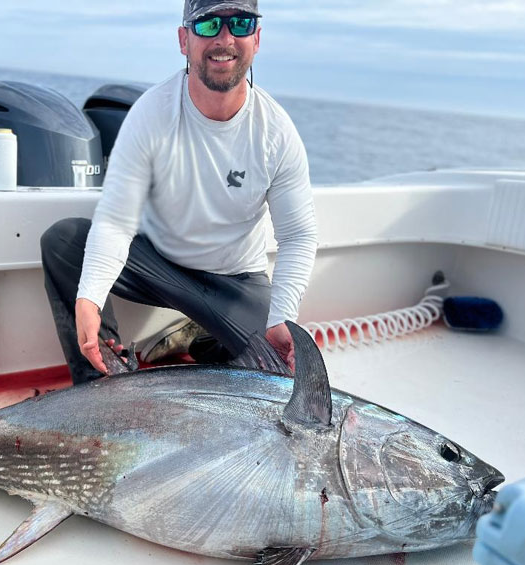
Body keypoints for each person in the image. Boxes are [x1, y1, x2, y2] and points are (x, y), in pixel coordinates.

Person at [41, 0, 318, 385]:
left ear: (257, 38)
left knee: (279, 375)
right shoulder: (151, 114)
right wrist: (88, 298)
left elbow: (298, 235)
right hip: (157, 266)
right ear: (183, 39)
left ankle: (209, 339)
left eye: (239, 23)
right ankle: (99, 384)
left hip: (233, 282)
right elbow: (117, 221)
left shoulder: (276, 132)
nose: (224, 38)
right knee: (64, 241)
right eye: (207, 25)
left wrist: (282, 316)